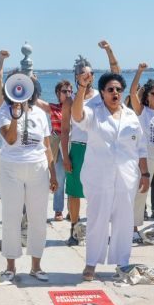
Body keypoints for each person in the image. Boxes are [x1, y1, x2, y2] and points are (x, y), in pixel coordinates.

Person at [71, 69, 149, 280]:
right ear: (103, 92)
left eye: (119, 90)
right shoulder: (94, 111)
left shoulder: (131, 115)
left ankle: (123, 263)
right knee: (97, 220)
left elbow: (140, 147)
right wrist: (82, 88)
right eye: (111, 89)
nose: (115, 93)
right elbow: (77, 116)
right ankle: (91, 264)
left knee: (124, 222)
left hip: (126, 177)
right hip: (99, 177)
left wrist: (145, 173)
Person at [60, 41, 122, 246]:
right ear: (77, 77)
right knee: (74, 191)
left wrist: (108, 51)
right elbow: (65, 130)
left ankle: (101, 228)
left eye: (91, 73)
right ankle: (75, 228)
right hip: (78, 148)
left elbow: (116, 73)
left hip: (99, 146)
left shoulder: (101, 96)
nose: (88, 76)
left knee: (102, 190)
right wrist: (66, 156)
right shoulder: (70, 101)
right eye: (84, 74)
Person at [0, 65, 56, 281]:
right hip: (11, 168)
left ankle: (36, 265)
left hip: (38, 168)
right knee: (11, 216)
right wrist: (15, 115)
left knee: (38, 217)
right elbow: (11, 139)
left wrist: (53, 173)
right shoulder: (4, 111)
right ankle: (10, 266)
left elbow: (47, 145)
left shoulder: (40, 114)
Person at [130, 65, 154, 238]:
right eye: (153, 94)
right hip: (148, 154)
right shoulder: (142, 111)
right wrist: (139, 72)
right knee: (141, 192)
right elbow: (131, 94)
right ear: (146, 96)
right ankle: (133, 228)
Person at [49, 80, 73, 222]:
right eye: (64, 91)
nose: (68, 94)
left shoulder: (75, 108)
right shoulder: (53, 108)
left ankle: (72, 209)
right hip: (57, 145)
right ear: (58, 93)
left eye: (70, 91)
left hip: (72, 144)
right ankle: (58, 210)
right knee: (59, 178)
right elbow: (37, 102)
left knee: (72, 179)